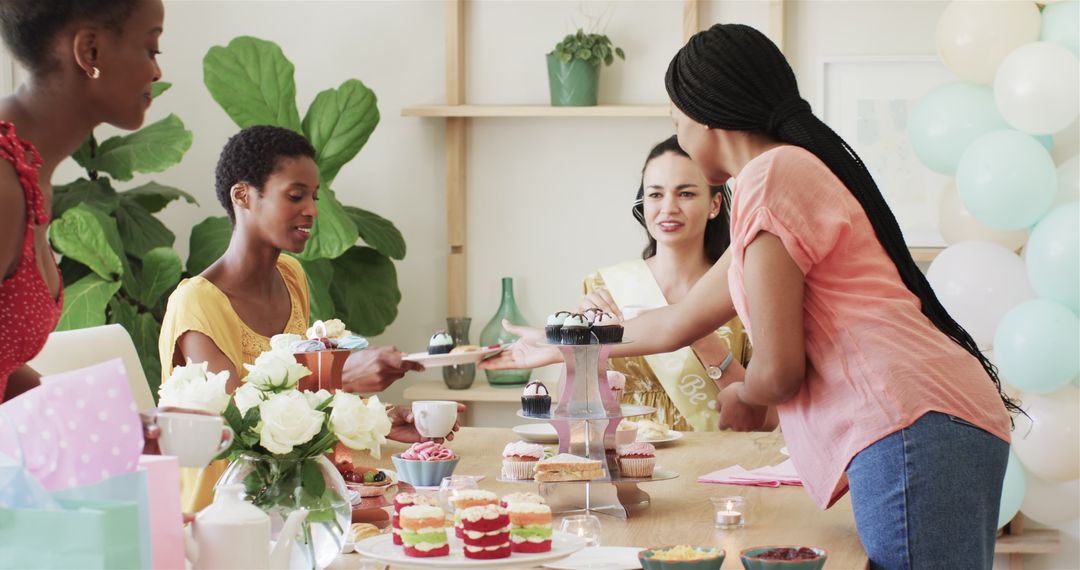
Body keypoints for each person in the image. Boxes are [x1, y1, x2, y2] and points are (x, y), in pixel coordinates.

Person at [485, 24, 1014, 569]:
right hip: (928, 422)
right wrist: (567, 345)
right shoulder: (782, 177)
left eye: (676, 122)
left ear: (705, 114)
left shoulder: (770, 177)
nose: (680, 137)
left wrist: (744, 396)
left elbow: (780, 371)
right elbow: (678, 322)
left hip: (913, 423)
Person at [158, 125, 449, 511]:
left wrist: (376, 419)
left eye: (313, 196)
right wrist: (339, 374)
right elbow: (241, 428)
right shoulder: (196, 303)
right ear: (243, 195)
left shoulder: (292, 276)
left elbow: (299, 409)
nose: (312, 210)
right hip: (220, 518)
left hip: (292, 504)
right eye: (295, 196)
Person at [0, 0, 165, 402]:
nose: (157, 71)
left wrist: (110, 425)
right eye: (151, 49)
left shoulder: (29, 174)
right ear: (89, 51)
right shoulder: (3, 183)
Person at [580, 135, 775, 432]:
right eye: (656, 195)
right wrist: (580, 344)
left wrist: (699, 335)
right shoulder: (604, 287)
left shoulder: (744, 288)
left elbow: (769, 417)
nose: (668, 207)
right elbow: (576, 407)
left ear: (714, 204)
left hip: (722, 463)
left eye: (685, 194)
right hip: (629, 457)